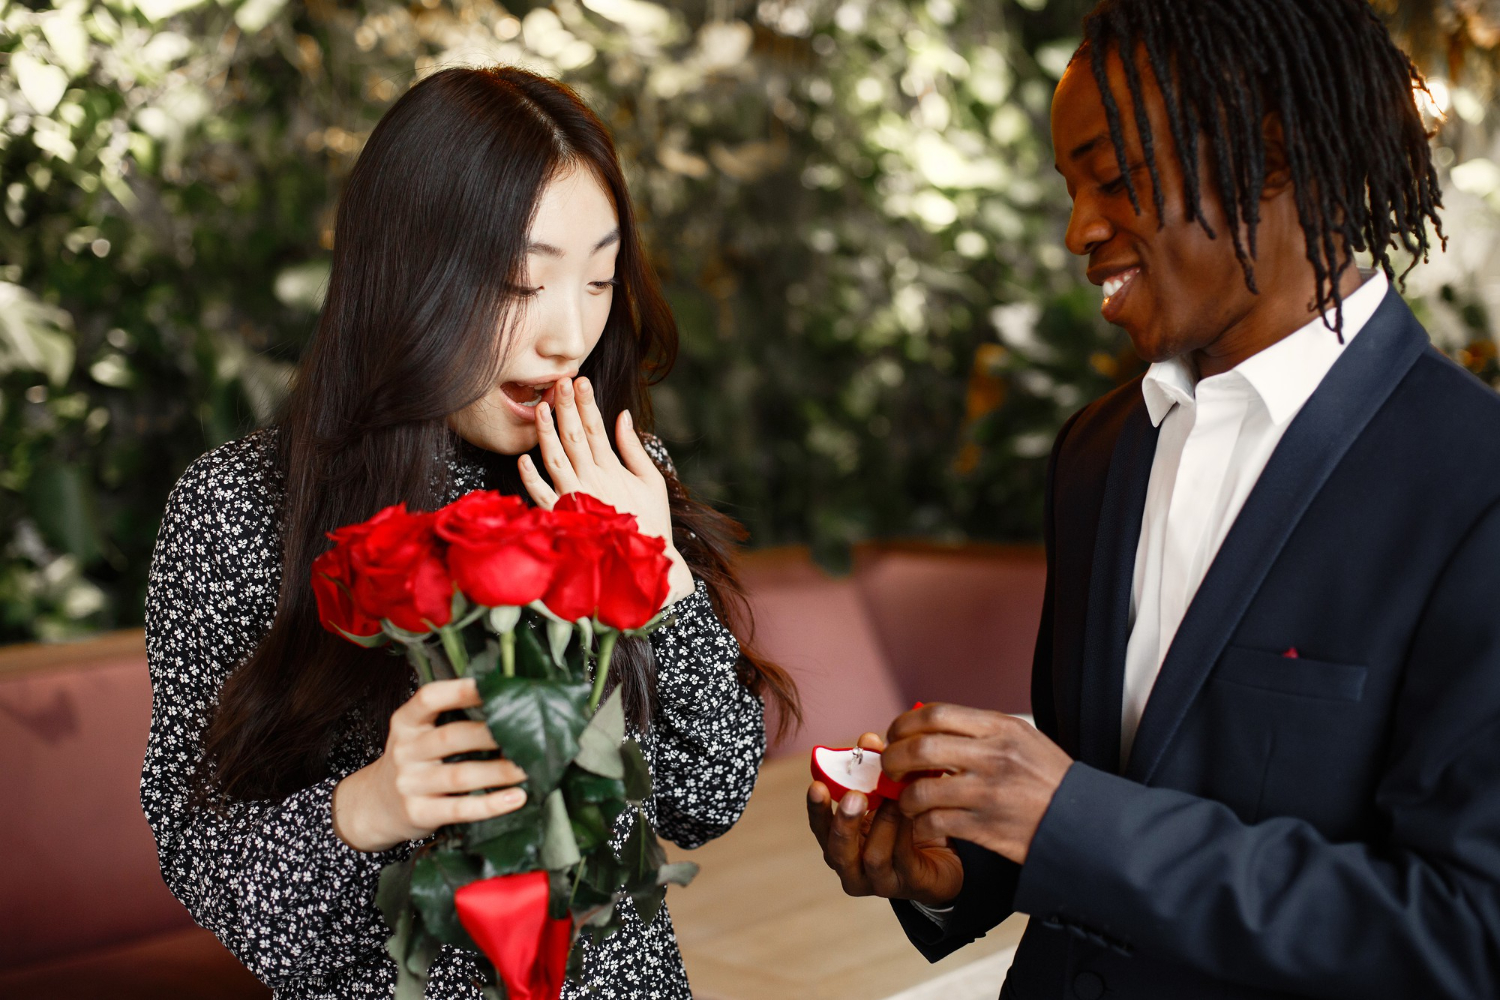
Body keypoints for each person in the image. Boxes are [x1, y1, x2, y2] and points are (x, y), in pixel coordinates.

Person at [808, 1, 1500, 997]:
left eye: (1115, 177)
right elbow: (1106, 793)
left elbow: (1464, 935)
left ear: (1276, 152)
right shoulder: (1097, 454)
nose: (1078, 228)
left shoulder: (1475, 487)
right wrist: (957, 867)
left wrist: (1061, 817)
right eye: (1071, 186)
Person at [142, 66, 796, 1000]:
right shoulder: (242, 507)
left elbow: (708, 797)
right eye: (520, 283)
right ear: (405, 276)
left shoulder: (608, 473)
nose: (568, 335)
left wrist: (661, 578)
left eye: (601, 279)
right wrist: (367, 807)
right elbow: (197, 847)